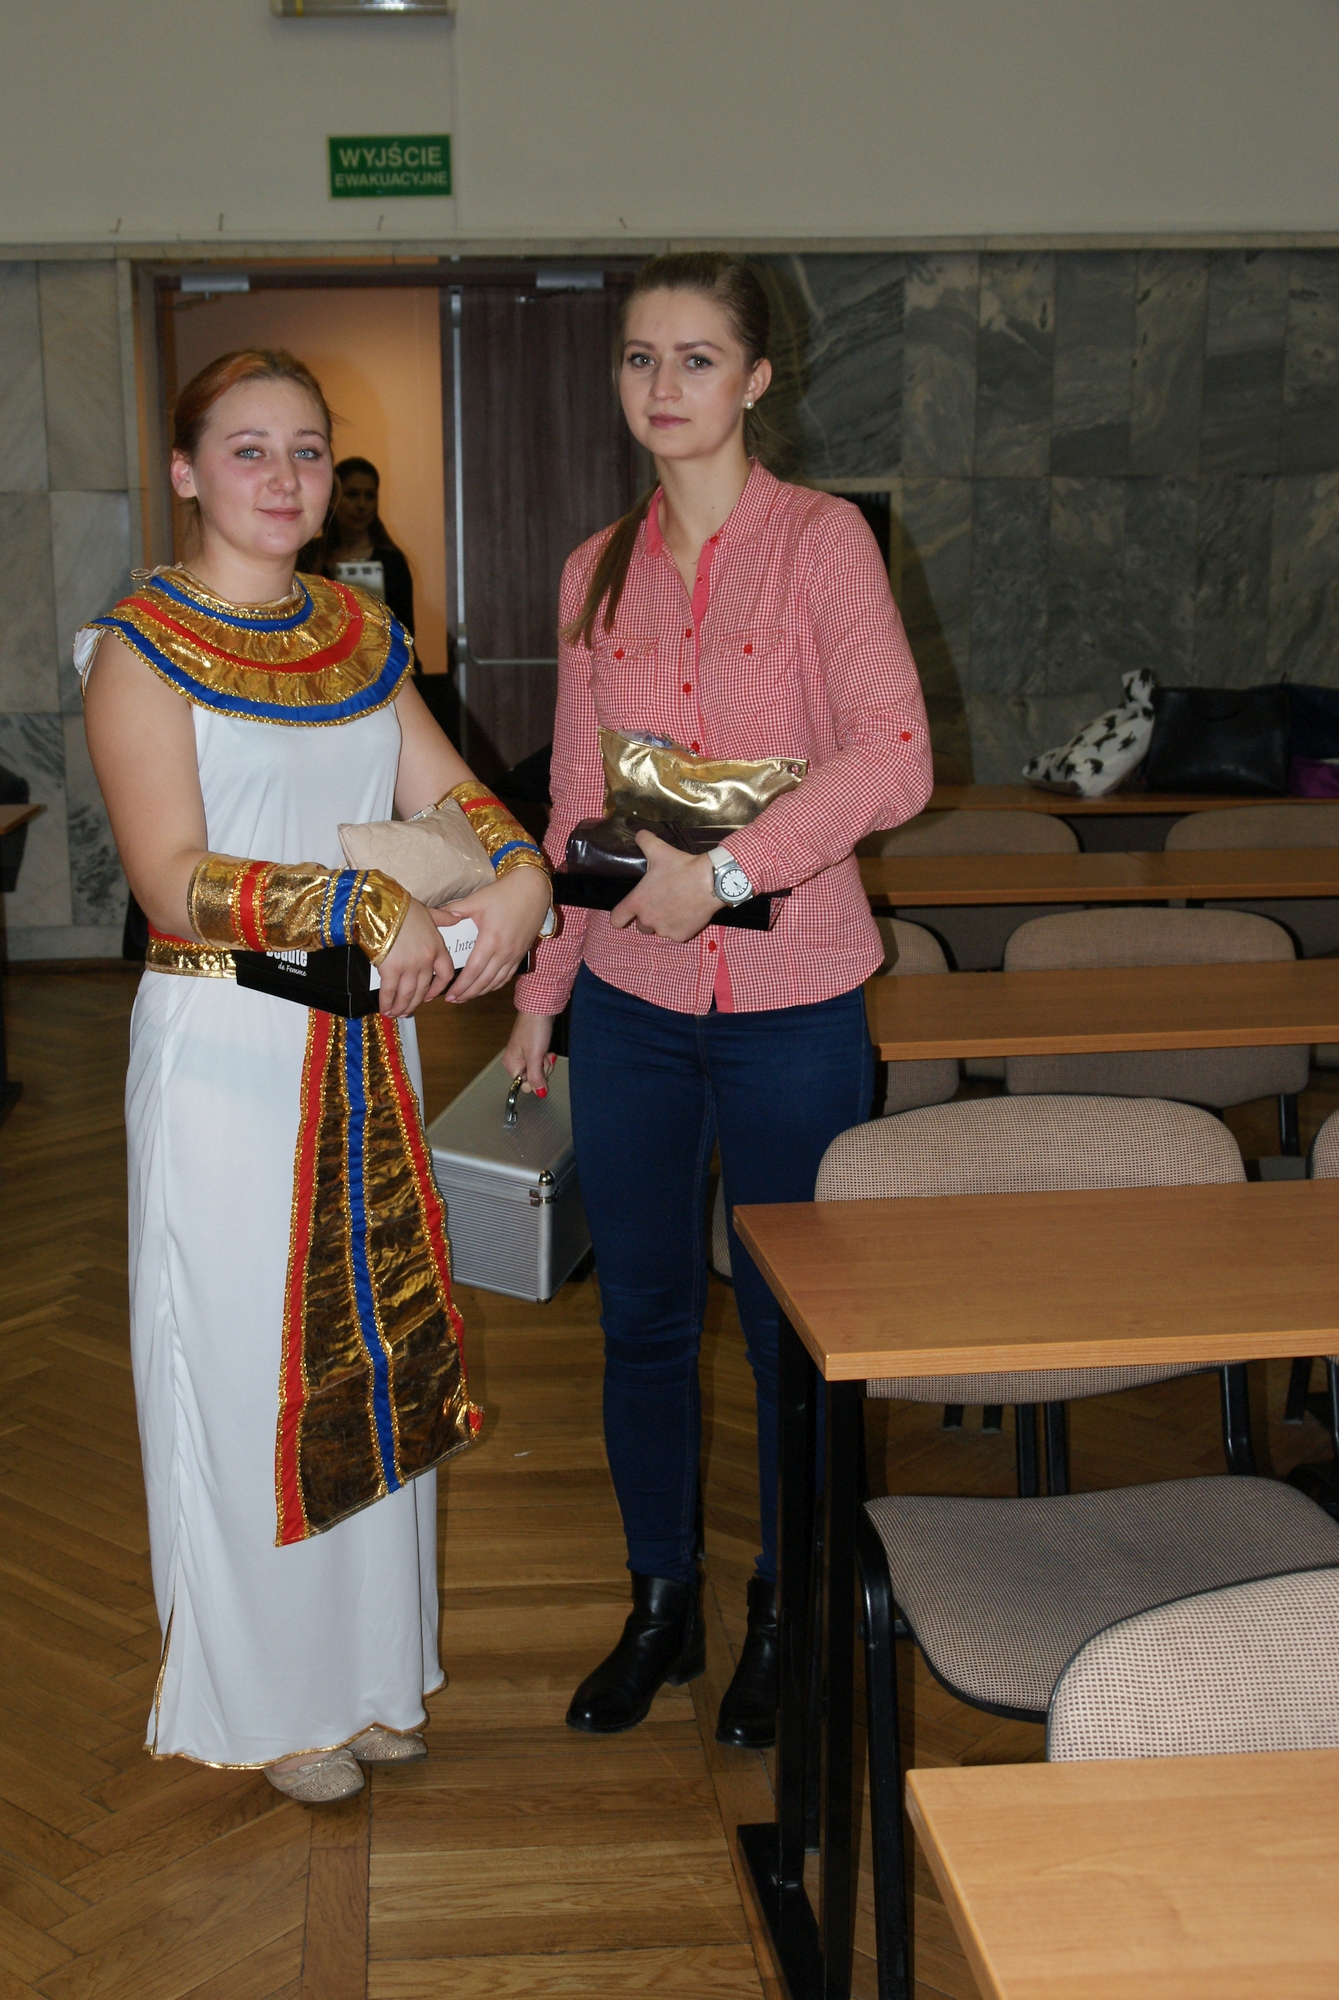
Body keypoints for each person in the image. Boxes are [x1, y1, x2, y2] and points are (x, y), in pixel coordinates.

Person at [82, 348, 552, 1802]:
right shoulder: (138, 644)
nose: (283, 478)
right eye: (248, 450)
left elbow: (451, 794)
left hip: (366, 1034)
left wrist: (522, 878)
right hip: (230, 1046)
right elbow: (170, 878)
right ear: (185, 470)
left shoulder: (358, 631)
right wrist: (355, 904)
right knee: (244, 1369)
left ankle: (366, 1680)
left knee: (376, 1347)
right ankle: (268, 1705)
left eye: (304, 448)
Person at [503, 255, 932, 1748]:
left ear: (755, 379)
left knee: (784, 1330)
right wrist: (544, 990)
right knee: (640, 1315)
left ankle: (786, 1609)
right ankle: (662, 1604)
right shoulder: (593, 568)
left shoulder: (820, 545)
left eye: (697, 357)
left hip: (794, 1002)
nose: (664, 384)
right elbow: (575, 798)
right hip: (630, 1001)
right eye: (640, 357)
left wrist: (728, 874)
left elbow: (893, 756)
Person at [302, 454, 416, 637]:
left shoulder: (392, 562)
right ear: (333, 498)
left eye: (370, 496)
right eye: (352, 494)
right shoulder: (308, 555)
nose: (362, 505)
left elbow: (405, 635)